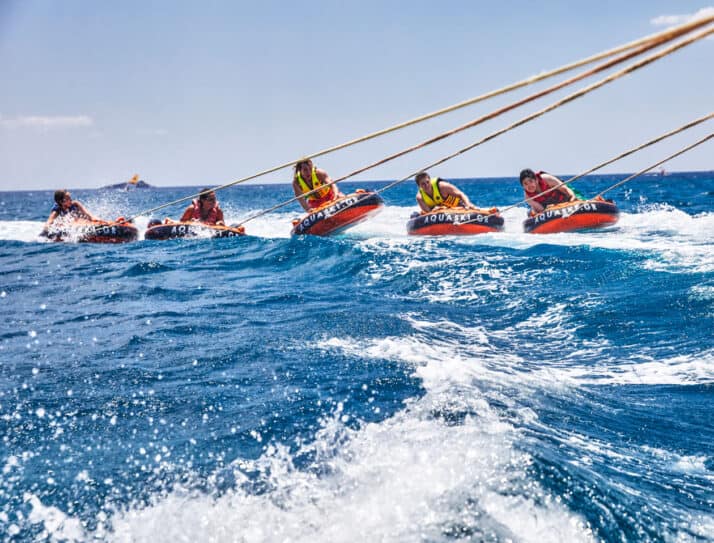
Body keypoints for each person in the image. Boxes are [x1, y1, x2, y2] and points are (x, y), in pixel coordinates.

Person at [414, 172, 481, 213]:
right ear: (419, 186)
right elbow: (428, 211)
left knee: (470, 206)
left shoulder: (442, 186)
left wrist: (467, 204)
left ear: (430, 181)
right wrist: (434, 211)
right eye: (423, 184)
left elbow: (461, 194)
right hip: (438, 213)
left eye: (427, 182)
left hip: (459, 206)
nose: (426, 185)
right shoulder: (420, 197)